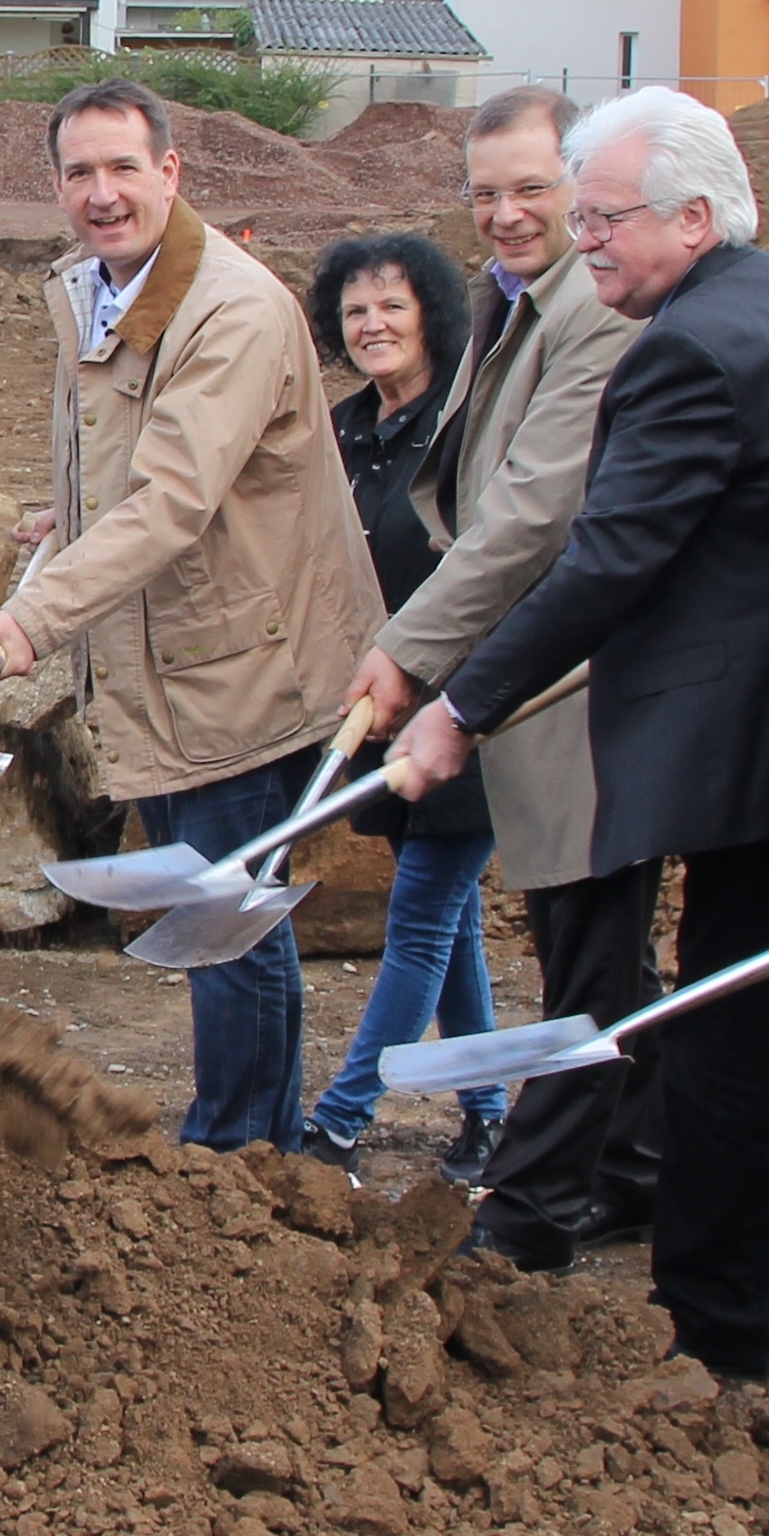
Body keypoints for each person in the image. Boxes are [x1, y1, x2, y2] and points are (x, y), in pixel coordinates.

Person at [389, 88, 769, 1377]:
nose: (584, 239)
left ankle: (718, 1326)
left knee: (731, 1038)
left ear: (696, 216)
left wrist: (456, 708)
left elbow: (606, 561)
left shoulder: (684, 349)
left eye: (603, 218)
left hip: (757, 741)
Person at [0, 80, 383, 1157]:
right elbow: (130, 454)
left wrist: (32, 618)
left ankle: (243, 1153)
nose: (102, 194)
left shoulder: (230, 307)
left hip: (241, 660)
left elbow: (174, 497)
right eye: (78, 173)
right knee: (221, 911)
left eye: (122, 168)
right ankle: (251, 1138)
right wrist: (72, 511)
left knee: (228, 921)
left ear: (171, 172)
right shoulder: (101, 287)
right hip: (177, 649)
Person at [337, 89, 650, 1255]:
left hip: (559, 674)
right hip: (498, 672)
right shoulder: (511, 305)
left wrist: (412, 649)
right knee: (549, 931)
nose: (508, 214)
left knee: (588, 947)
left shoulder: (599, 315)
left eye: (533, 189)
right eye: (485, 193)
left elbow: (527, 513)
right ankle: (628, 1161)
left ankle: (536, 1197)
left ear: (584, 190)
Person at [296, 230, 498, 1179]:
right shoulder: (344, 426)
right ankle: (491, 1108)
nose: (373, 325)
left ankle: (341, 1118)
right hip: (376, 704)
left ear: (432, 318)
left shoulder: (467, 422)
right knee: (446, 920)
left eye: (393, 307)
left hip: (468, 707)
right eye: (356, 312)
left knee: (420, 919)